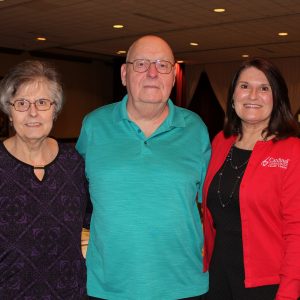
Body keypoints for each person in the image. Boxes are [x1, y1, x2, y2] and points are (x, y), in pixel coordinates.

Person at [76, 35, 211, 300]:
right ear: (124, 74)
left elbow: (215, 203)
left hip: (184, 284)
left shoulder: (196, 129)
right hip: (109, 286)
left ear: (173, 76)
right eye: (141, 64)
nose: (152, 72)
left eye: (162, 65)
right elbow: (71, 196)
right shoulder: (93, 125)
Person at [202, 58, 300, 300]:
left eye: (264, 88)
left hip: (268, 285)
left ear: (277, 98)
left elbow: (296, 232)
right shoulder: (220, 143)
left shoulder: (293, 151)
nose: (253, 95)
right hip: (217, 277)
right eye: (244, 86)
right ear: (233, 97)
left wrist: (289, 292)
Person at [0, 60, 89, 299]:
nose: (33, 112)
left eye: (42, 102)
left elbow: (97, 218)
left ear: (55, 110)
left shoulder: (75, 163)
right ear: (9, 111)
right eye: (22, 103)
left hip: (70, 292)